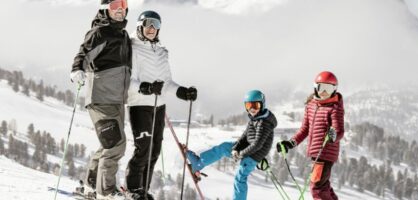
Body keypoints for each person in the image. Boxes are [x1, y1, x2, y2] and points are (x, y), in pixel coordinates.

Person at [124, 10, 197, 200]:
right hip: (140, 105)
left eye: (156, 25)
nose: (152, 28)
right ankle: (133, 190)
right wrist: (146, 88)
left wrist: (182, 91)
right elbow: (128, 81)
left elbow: (167, 84)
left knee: (154, 150)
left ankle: (143, 191)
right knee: (143, 148)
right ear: (140, 25)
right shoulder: (132, 48)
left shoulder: (162, 52)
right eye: (148, 24)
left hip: (159, 106)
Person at [70, 0, 131, 199]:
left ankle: (90, 184)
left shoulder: (123, 35)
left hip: (117, 99)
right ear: (106, 10)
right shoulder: (100, 32)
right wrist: (77, 69)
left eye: (123, 5)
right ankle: (106, 192)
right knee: (115, 144)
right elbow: (83, 53)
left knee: (108, 142)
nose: (120, 10)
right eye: (115, 7)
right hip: (101, 97)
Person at [184, 90, 277, 200]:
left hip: (254, 155)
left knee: (240, 178)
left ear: (262, 105)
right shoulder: (254, 119)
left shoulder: (264, 122)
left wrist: (240, 154)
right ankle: (198, 164)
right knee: (223, 147)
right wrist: (236, 148)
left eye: (255, 106)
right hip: (246, 149)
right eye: (248, 106)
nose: (252, 109)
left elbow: (257, 145)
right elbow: (244, 137)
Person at [276, 71, 344, 200]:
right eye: (321, 87)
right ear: (315, 87)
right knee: (323, 186)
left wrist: (333, 135)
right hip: (316, 153)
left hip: (325, 152)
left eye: (328, 88)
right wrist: (291, 143)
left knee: (317, 188)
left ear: (334, 90)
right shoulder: (311, 105)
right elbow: (305, 129)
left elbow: (339, 130)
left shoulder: (334, 108)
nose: (324, 92)